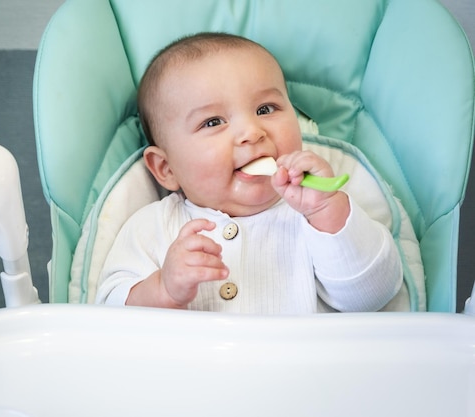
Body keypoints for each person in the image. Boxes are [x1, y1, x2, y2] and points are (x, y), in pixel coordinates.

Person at [95, 32, 402, 313]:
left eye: (265, 109)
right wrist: (164, 290)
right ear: (167, 169)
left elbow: (373, 297)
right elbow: (108, 317)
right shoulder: (153, 226)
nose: (251, 132)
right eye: (213, 122)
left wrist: (326, 211)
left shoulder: (313, 215)